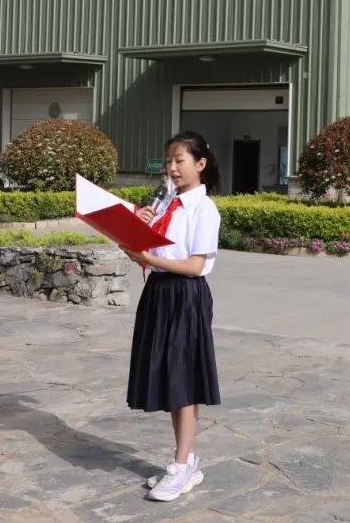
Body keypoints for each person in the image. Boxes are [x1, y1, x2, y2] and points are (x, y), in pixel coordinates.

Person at [122, 131, 222, 502]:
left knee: (183, 378)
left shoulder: (203, 209)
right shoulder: (165, 204)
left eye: (180, 160)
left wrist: (150, 258)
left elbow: (195, 266)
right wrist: (136, 227)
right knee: (168, 375)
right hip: (159, 293)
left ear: (200, 164)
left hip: (186, 295)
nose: (173, 168)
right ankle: (187, 460)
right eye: (169, 161)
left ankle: (181, 466)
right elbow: (141, 252)